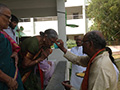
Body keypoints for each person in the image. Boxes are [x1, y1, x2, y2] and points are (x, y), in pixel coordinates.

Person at [0, 3, 24, 90]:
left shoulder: (3, 34)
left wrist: (14, 53)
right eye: (7, 17)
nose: (9, 21)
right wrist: (8, 80)